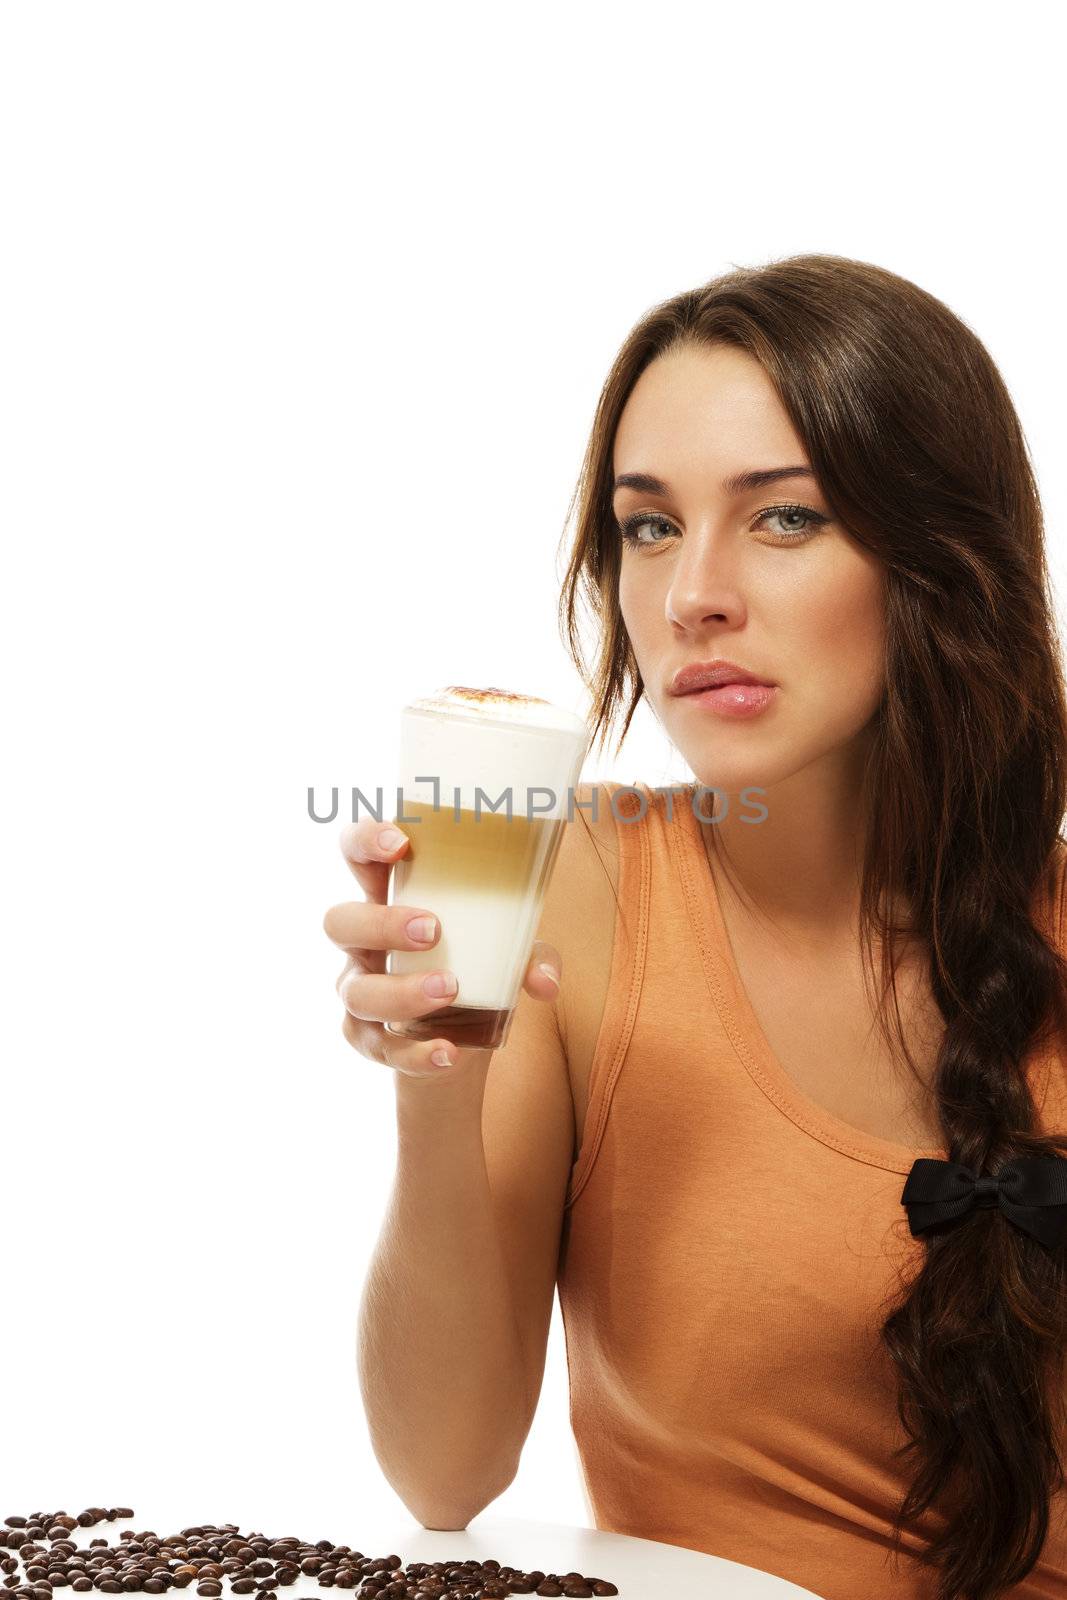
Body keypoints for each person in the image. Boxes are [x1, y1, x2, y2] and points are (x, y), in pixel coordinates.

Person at [324, 254, 1067, 1600]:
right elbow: (444, 1475)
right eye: (648, 527)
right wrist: (437, 1089)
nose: (690, 597)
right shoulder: (579, 889)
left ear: (944, 558)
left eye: (783, 520)